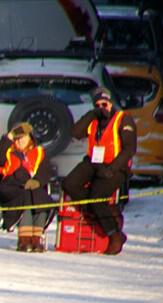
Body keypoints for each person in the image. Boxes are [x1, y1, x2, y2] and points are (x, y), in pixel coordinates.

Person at [62, 87, 136, 255]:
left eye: (105, 104)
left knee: (97, 197)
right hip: (93, 161)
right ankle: (103, 210)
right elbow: (75, 132)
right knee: (69, 184)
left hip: (116, 165)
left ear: (111, 103)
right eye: (98, 105)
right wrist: (92, 114)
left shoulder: (123, 119)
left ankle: (115, 235)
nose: (102, 108)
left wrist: (112, 169)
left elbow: (129, 149)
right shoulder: (93, 119)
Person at [0, 122, 55, 252]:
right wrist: (9, 137)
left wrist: (37, 181)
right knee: (26, 196)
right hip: (12, 188)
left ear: (30, 137)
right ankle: (24, 240)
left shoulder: (38, 152)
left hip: (32, 188)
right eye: (16, 138)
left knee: (43, 199)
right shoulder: (8, 151)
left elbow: (46, 171)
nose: (19, 141)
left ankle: (36, 239)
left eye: (22, 138)